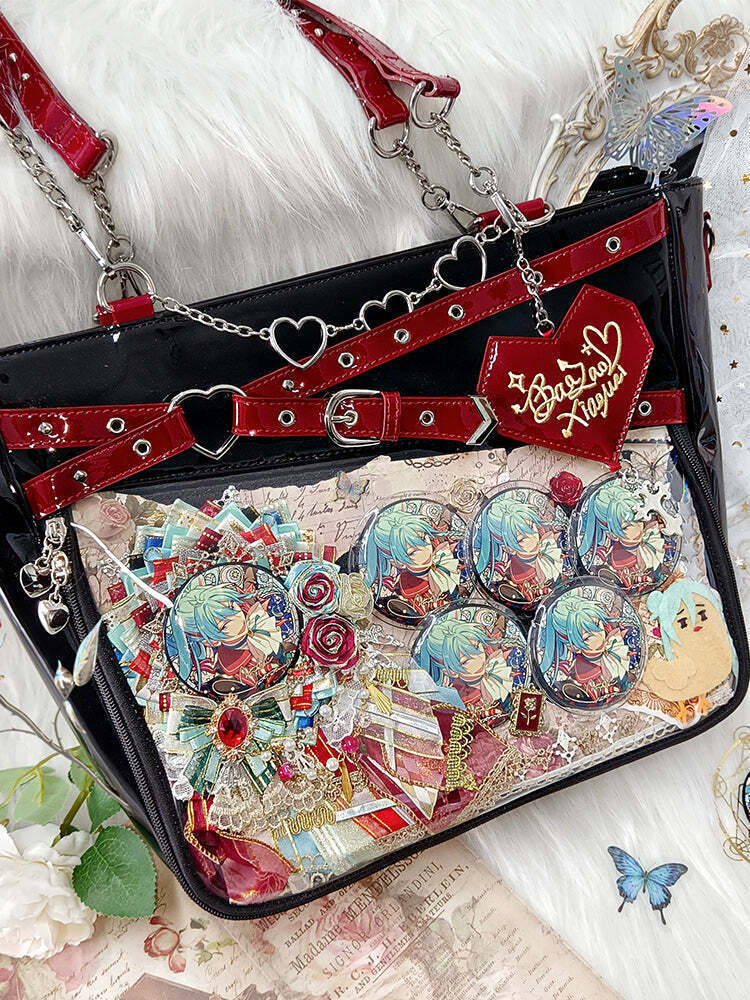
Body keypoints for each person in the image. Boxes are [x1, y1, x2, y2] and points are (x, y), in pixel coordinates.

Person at [167, 580, 284, 691]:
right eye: (224, 626)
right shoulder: (232, 665)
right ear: (213, 641)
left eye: (232, 606)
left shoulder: (255, 616)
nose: (237, 618)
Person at [363, 504, 464, 617]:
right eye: (412, 552)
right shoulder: (407, 589)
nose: (425, 550)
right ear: (398, 563)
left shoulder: (443, 552)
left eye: (423, 538)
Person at [417, 613, 525, 712]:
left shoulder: (500, 660)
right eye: (465, 661)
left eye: (477, 647)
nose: (478, 659)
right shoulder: (461, 699)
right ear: (451, 672)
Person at [538, 591, 632, 702]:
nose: (599, 635)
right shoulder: (581, 674)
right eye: (587, 637)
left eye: (597, 624)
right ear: (574, 648)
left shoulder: (616, 638)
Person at [474, 494, 568, 603]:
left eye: (531, 527)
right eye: (522, 539)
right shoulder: (512, 581)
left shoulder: (552, 544)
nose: (533, 537)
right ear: (509, 549)